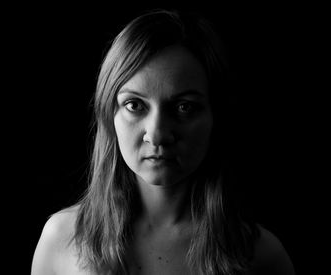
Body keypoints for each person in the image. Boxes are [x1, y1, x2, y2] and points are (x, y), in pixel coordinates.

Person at [31, 9, 295, 275]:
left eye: (184, 107)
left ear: (216, 116)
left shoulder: (262, 256)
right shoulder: (61, 239)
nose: (157, 134)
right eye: (134, 105)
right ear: (109, 114)